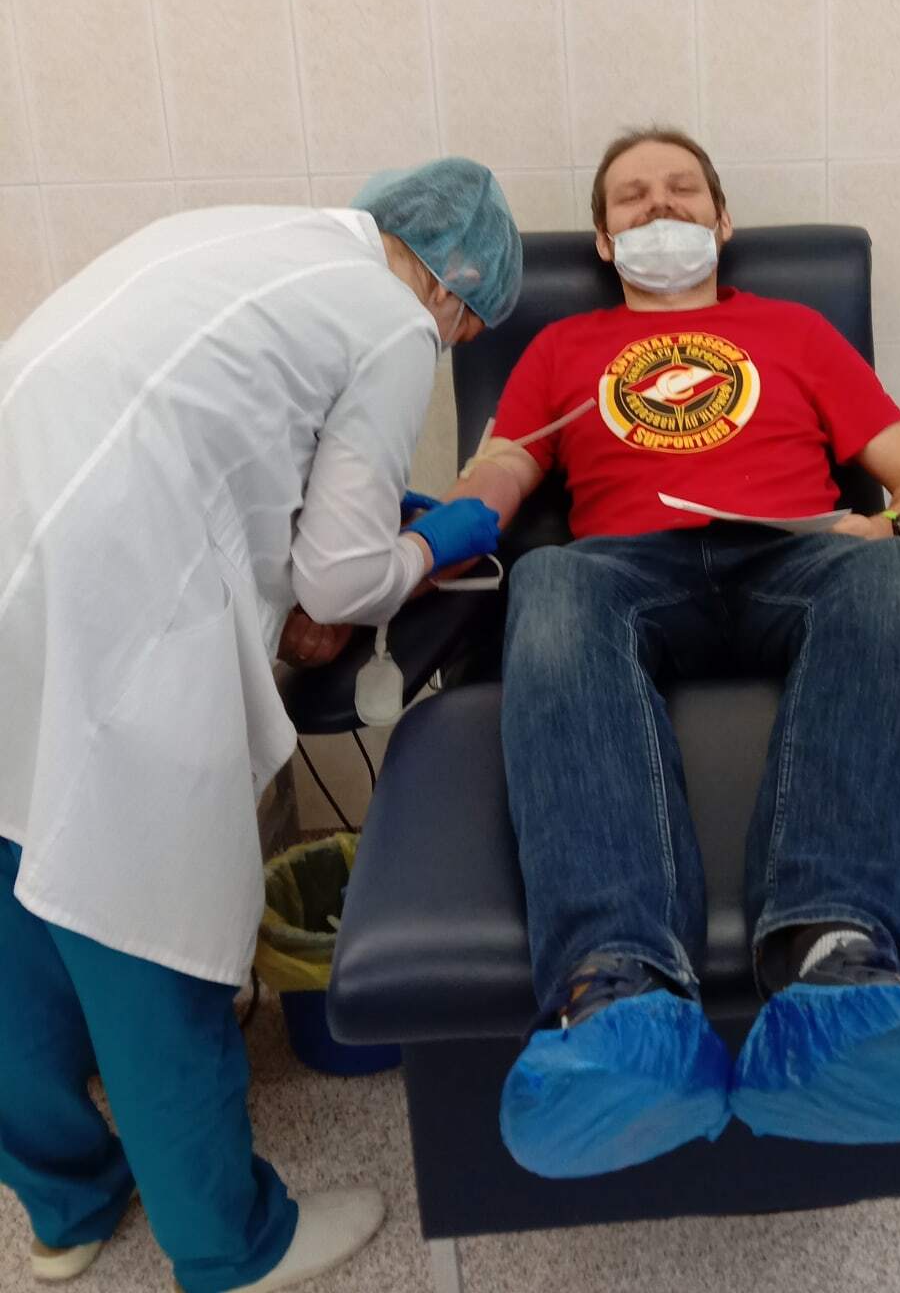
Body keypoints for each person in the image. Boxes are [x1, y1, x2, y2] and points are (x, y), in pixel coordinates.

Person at [446, 128, 900, 1181]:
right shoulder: (562, 351)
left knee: (894, 572)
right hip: (629, 568)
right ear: (604, 242)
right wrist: (436, 534)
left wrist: (885, 528)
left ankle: (833, 967)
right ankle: (622, 995)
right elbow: (501, 476)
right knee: (548, 577)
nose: (659, 209)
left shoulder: (795, 331)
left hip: (794, 554)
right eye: (632, 199)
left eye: (681, 191)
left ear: (723, 221)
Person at [0, 160, 521, 1291]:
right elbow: (338, 583)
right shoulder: (394, 319)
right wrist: (433, 542)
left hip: (18, 526)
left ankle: (66, 1202)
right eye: (467, 329)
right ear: (454, 288)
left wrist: (359, 526)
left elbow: (218, 435)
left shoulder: (237, 235)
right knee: (147, 920)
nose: (451, 345)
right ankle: (231, 1245)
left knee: (17, 876)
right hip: (112, 591)